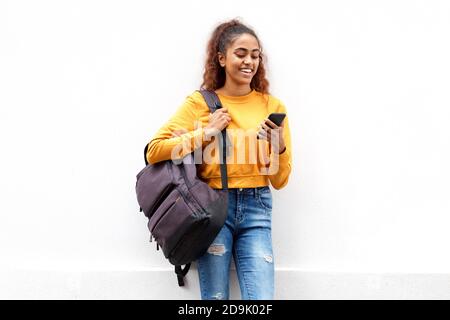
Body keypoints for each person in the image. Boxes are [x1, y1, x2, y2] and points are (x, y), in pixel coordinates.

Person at [146, 19, 292, 300]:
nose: (249, 61)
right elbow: (155, 150)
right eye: (241, 54)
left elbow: (281, 180)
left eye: (255, 55)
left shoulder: (272, 106)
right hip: (213, 209)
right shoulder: (200, 103)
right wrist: (206, 132)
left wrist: (280, 148)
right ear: (222, 58)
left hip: (257, 209)